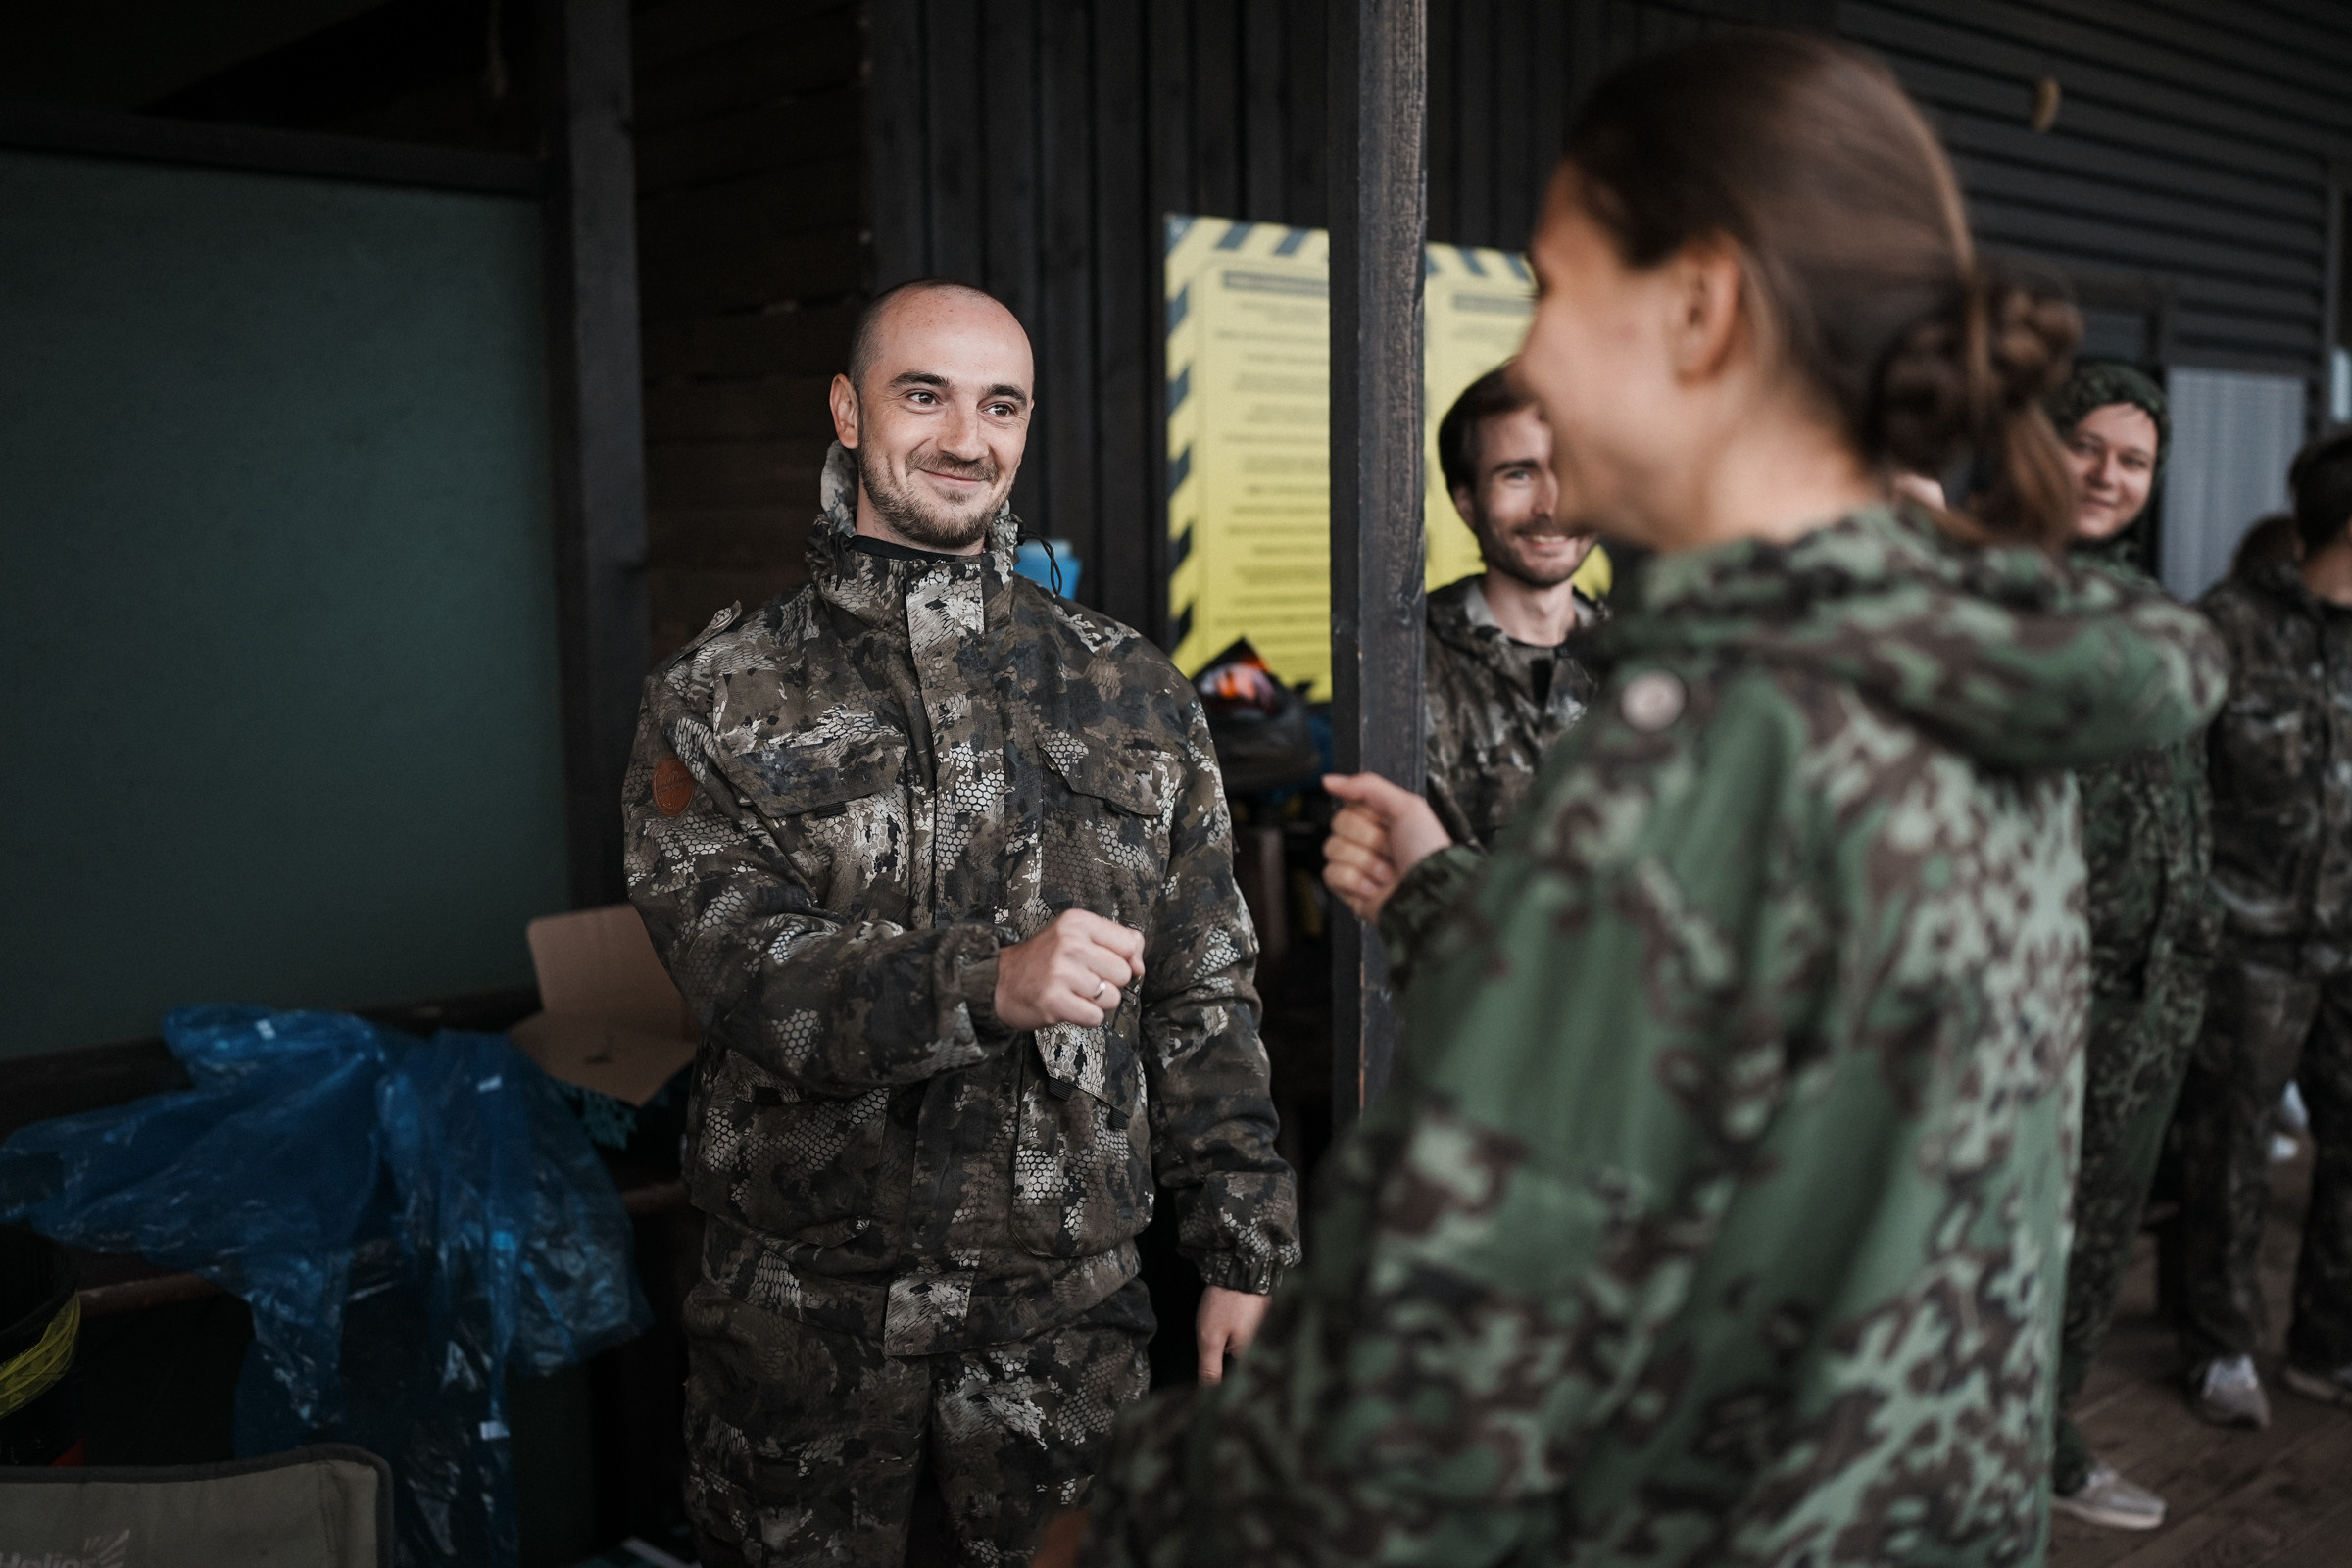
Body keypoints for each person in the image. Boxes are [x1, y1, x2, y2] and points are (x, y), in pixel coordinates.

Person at [1054, 33, 2227, 1568]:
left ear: (1701, 308)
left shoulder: (1715, 746)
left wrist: (1132, 1525)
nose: (1534, 359)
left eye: (1553, 289)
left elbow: (1425, 1407)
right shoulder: (1969, 675)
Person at [624, 278, 1299, 1567]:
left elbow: (1206, 991)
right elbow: (735, 970)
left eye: (1000, 405)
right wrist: (985, 981)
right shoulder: (718, 692)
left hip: (1062, 1337)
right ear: (847, 410)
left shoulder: (1132, 689)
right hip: (802, 1335)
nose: (964, 438)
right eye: (923, 395)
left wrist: (1245, 1250)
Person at [2039, 363, 2218, 1529]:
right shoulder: (1993, 590)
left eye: (2135, 459)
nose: (2110, 475)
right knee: (2014, 1239)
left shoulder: (2142, 601)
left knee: (2101, 1239)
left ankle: (2047, 1440)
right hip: (2047, 992)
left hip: (2155, 991)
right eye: (2087, 447)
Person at [2177, 427, 2352, 1428]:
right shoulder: (2228, 626)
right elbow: (2175, 784)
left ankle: (2330, 1346)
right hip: (2250, 941)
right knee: (2230, 1149)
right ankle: (2220, 1345)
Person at [1422, 368, 1604, 850]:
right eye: (1519, 475)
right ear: (1467, 503)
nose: (1552, 506)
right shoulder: (1408, 661)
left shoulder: (1641, 652)